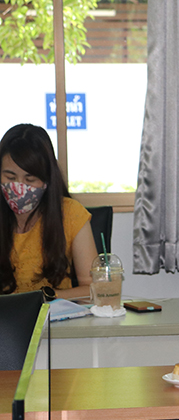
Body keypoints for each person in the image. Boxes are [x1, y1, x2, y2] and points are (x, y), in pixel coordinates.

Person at [0, 124, 97, 299]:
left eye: (30, 179)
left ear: (46, 180)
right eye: (10, 177)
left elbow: (93, 289)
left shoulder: (70, 214)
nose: (19, 187)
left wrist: (46, 297)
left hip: (55, 313)